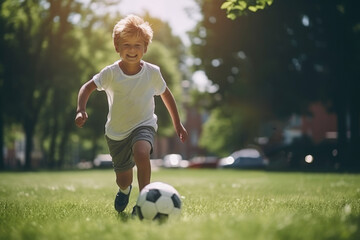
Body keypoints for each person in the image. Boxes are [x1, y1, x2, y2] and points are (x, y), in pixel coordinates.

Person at [74, 14, 188, 214]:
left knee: (142, 153)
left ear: (145, 48)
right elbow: (86, 88)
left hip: (144, 125)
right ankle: (125, 190)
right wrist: (81, 109)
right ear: (117, 47)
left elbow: (166, 95)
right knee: (123, 178)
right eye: (126, 45)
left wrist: (177, 124)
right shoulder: (110, 73)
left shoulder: (152, 72)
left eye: (138, 45)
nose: (132, 50)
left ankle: (144, 201)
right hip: (116, 134)